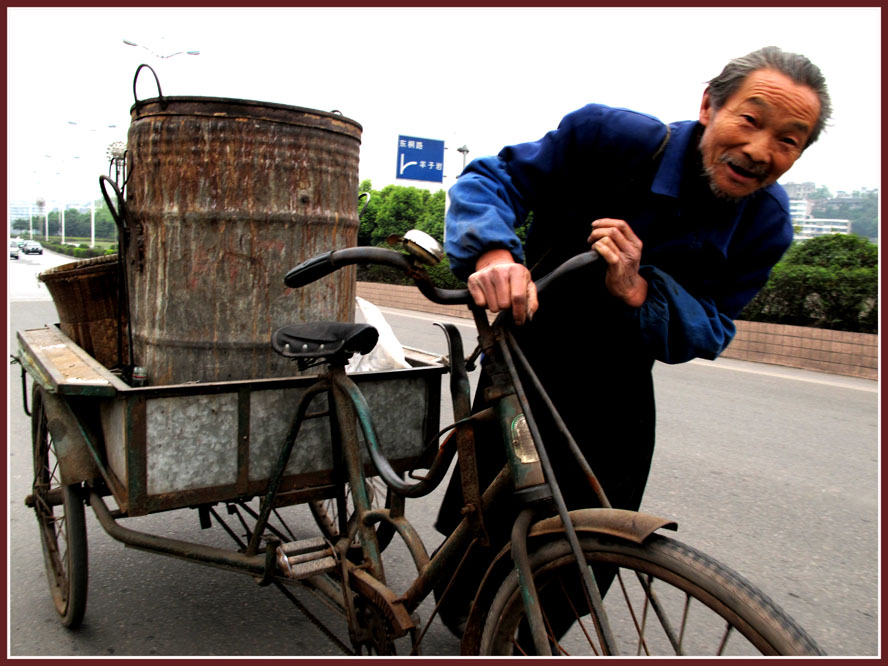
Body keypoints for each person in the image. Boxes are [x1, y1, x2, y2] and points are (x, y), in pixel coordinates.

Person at [433, 45, 831, 639]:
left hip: (620, 370)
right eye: (749, 120)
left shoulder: (765, 223)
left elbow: (715, 325)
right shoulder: (609, 136)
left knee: (599, 520)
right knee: (493, 498)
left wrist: (641, 291)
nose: (759, 150)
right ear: (709, 106)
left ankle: (525, 635)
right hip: (529, 346)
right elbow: (492, 178)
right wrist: (495, 254)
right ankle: (468, 612)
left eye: (788, 140)